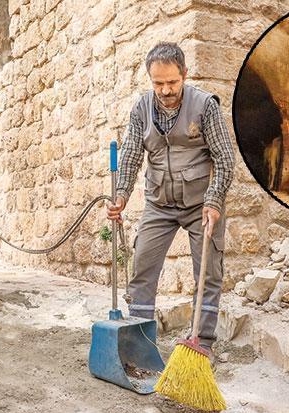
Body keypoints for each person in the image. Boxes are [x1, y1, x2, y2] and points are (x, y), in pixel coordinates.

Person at [107, 41, 235, 356]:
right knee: (141, 270)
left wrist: (215, 200)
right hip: (159, 204)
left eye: (172, 83)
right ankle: (140, 345)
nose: (165, 90)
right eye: (158, 83)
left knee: (208, 274)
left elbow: (225, 158)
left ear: (184, 74)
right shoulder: (141, 108)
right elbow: (132, 154)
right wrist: (121, 194)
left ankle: (201, 344)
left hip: (200, 205)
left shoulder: (205, 106)